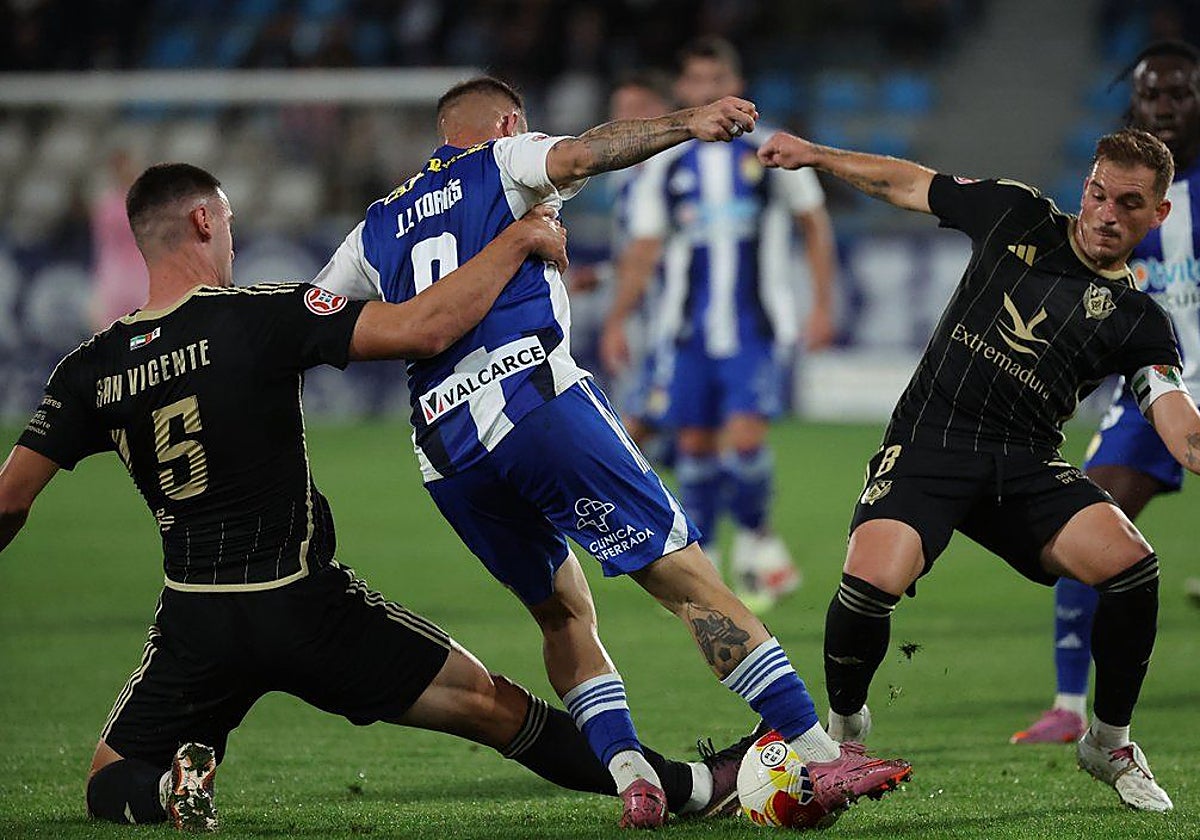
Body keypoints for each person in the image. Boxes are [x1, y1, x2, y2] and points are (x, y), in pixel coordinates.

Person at [0, 163, 744, 832]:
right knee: (494, 707)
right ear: (202, 222)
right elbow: (424, 329)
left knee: (109, 777)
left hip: (194, 618)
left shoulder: (89, 370)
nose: (230, 236)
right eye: (226, 222)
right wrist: (517, 243)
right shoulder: (258, 315)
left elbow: (9, 502)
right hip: (300, 605)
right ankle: (690, 787)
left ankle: (168, 794)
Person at [314, 77, 911, 828]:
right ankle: (823, 758)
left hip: (447, 453)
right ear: (506, 120)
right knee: (689, 582)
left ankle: (634, 778)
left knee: (562, 618)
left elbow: (318, 321)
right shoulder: (506, 156)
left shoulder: (373, 226)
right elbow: (586, 153)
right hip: (534, 403)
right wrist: (687, 121)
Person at [757, 126, 1200, 812]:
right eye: (1097, 192)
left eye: (1128, 203)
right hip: (931, 444)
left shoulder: (1139, 319)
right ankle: (845, 736)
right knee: (869, 580)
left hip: (1024, 465)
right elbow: (906, 183)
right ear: (1085, 184)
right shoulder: (1015, 213)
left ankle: (1107, 741)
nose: (1106, 213)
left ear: (1158, 214)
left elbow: (1173, 414)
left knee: (1132, 568)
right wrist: (817, 156)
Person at [600, 37, 839, 612]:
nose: (707, 91)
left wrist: (823, 305)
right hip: (684, 333)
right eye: (697, 81)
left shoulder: (769, 148)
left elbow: (813, 223)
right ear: (683, 90)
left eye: (717, 79)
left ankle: (757, 539)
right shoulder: (664, 163)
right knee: (696, 448)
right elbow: (645, 249)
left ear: (735, 82)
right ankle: (707, 573)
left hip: (754, 327)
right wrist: (617, 320)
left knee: (747, 438)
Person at [1013, 40, 1200, 746]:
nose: (1164, 107)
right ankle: (1068, 704)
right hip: (1155, 392)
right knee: (1085, 521)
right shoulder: (1126, 197)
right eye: (1152, 94)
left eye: (1180, 93)